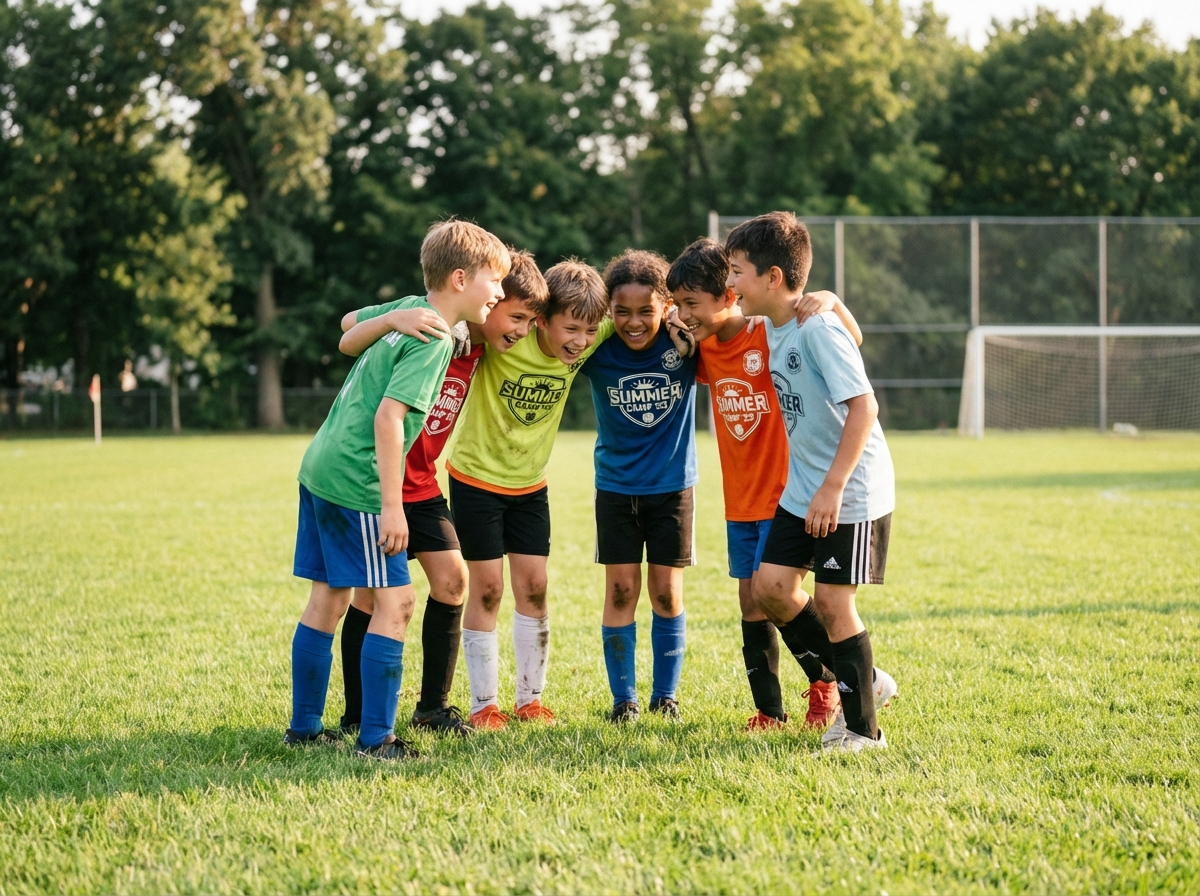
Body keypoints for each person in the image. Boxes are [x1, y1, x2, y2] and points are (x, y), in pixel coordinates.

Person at [284, 220, 509, 760]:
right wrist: (391, 507)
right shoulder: (434, 336)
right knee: (399, 602)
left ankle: (306, 728)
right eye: (494, 281)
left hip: (320, 465)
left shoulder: (414, 307)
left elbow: (345, 329)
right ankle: (376, 739)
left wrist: (389, 316)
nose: (500, 294)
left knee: (329, 596)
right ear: (459, 279)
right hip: (357, 480)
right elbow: (389, 420)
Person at [333, 251, 549, 738]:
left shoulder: (481, 346)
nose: (521, 330)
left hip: (423, 482)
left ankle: (432, 707)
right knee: (369, 598)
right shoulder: (432, 327)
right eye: (514, 316)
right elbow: (349, 321)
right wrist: (394, 317)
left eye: (528, 321)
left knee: (452, 579)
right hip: (378, 481)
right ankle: (355, 715)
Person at [667, 237, 864, 731]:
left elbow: (849, 340)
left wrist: (834, 300)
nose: (682, 312)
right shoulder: (703, 348)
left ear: (730, 293)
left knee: (777, 593)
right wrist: (682, 331)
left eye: (692, 303)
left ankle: (830, 686)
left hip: (787, 495)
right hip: (740, 499)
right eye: (678, 303)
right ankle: (769, 711)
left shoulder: (767, 332)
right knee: (751, 603)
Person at [728, 211, 898, 752]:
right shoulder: (775, 323)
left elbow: (865, 406)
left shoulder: (816, 327)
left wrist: (832, 488)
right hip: (805, 487)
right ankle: (866, 683)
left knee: (832, 602)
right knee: (771, 589)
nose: (730, 283)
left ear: (772, 277)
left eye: (737, 272)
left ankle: (862, 730)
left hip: (849, 489)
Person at [446, 260, 613, 730]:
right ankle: (484, 706)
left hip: (530, 486)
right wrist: (459, 324)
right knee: (488, 590)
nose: (580, 340)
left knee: (535, 588)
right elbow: (472, 313)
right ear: (541, 319)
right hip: (476, 480)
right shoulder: (505, 338)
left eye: (588, 330)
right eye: (571, 329)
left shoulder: (589, 336)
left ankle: (530, 700)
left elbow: (637, 311)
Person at [578, 250, 696, 723]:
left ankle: (665, 696)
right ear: (608, 311)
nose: (633, 322)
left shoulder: (686, 343)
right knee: (622, 590)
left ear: (665, 306)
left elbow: (734, 319)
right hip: (615, 488)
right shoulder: (596, 347)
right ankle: (623, 700)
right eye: (621, 311)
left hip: (672, 487)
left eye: (645, 311)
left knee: (666, 592)